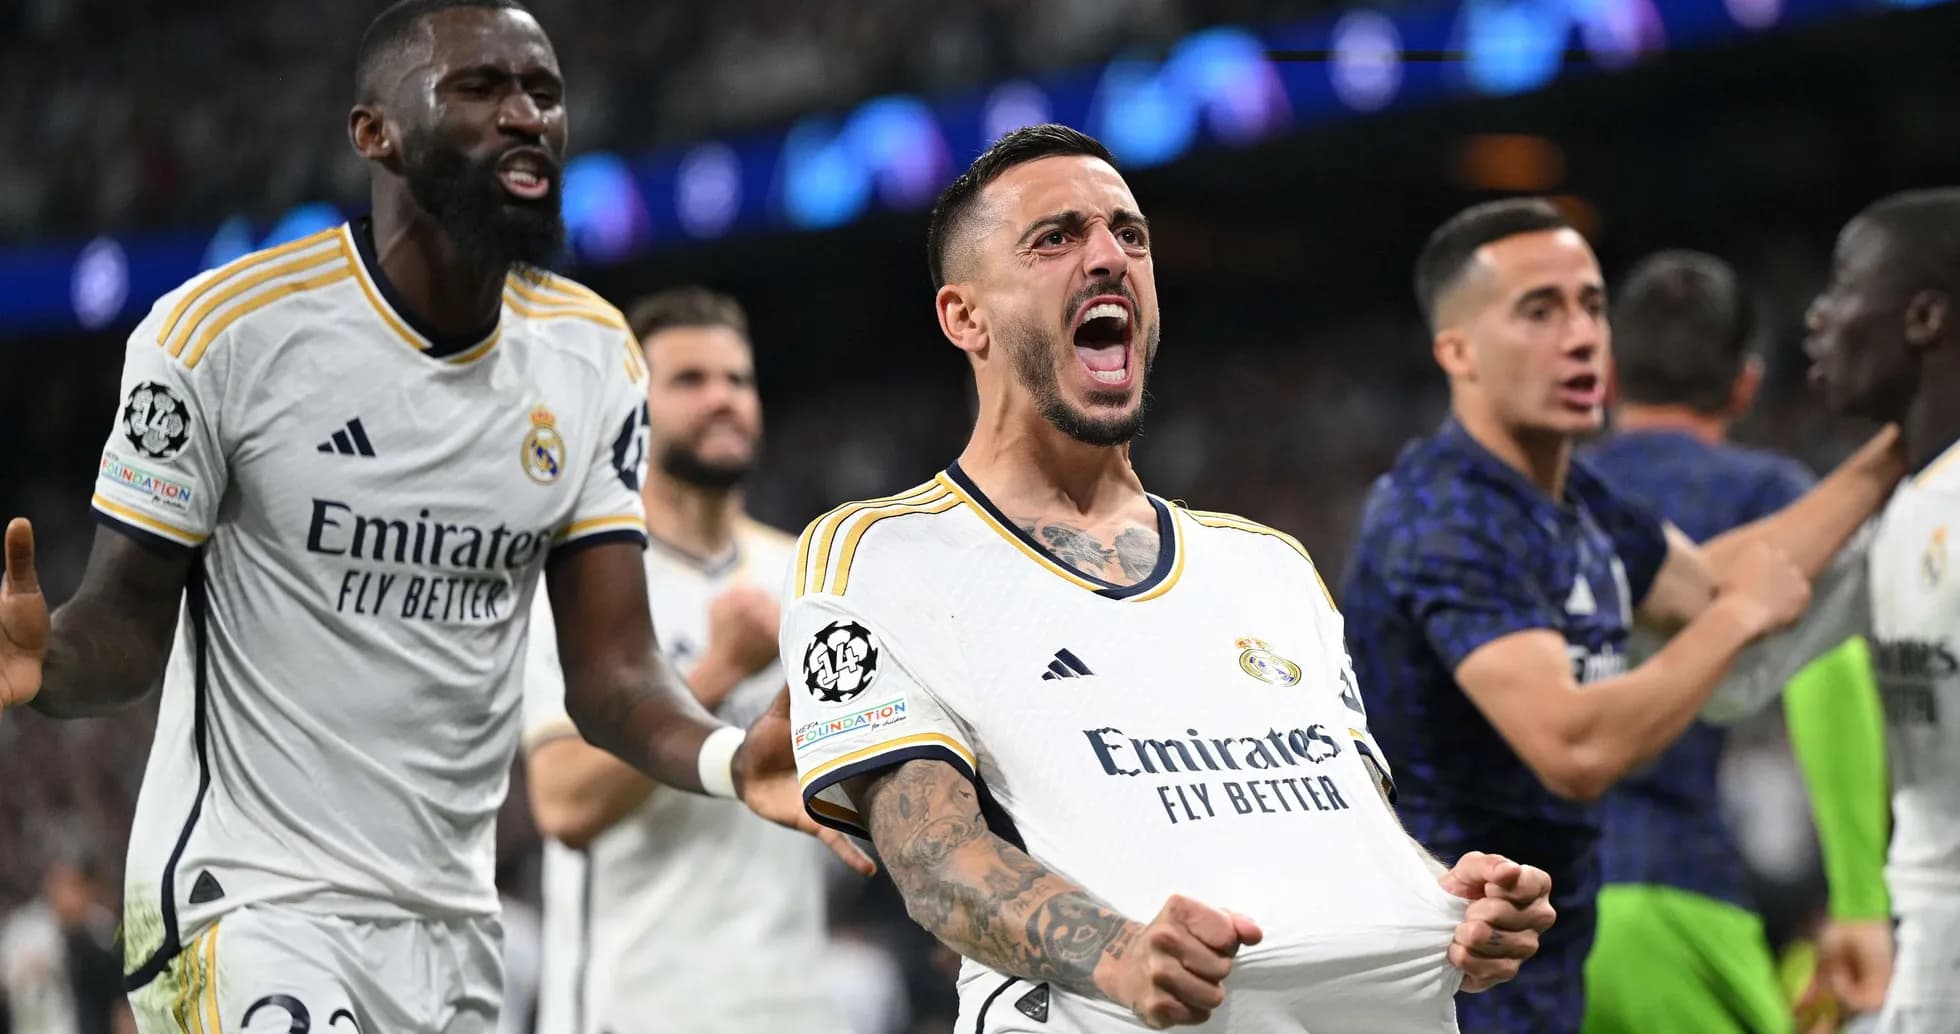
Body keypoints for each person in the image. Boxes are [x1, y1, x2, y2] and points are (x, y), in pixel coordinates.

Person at [0, 2, 859, 1031]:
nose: (525, 115)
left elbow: (614, 672)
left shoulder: (591, 358)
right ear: (376, 132)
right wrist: (44, 662)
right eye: (480, 89)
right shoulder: (220, 336)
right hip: (248, 908)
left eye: (543, 93)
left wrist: (725, 756)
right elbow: (125, 632)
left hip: (453, 927)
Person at [782, 123, 1556, 1033]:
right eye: (1056, 237)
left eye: (1130, 234)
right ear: (965, 317)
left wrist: (1453, 901)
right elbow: (938, 860)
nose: (1108, 256)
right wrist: (1116, 952)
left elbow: (1350, 836)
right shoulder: (879, 554)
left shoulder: (1271, 564)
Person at [1337, 197, 1904, 1032]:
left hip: (1550, 960)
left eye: (1591, 306)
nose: (1580, 337)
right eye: (1539, 311)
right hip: (1449, 979)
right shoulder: (1444, 514)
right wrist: (1738, 619)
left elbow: (1709, 584)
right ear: (1456, 350)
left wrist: (1894, 452)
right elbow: (1575, 744)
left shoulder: (1573, 501)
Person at [1575, 250, 1891, 1034]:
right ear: (1746, 385)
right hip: (1674, 899)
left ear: (1608, 378)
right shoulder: (1766, 497)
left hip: (1516, 929)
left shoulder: (1539, 500)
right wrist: (1858, 901)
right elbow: (1829, 675)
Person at [522, 287, 849, 1033]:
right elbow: (564, 804)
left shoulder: (808, 574)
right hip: (635, 1005)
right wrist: (717, 671)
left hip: (796, 1002)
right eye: (690, 381)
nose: (723, 400)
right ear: (631, 408)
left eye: (738, 380)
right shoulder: (577, 579)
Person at [1802, 187, 1960, 1034]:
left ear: (1925, 319)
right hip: (1927, 942)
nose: (1818, 317)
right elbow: (1738, 672)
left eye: (1844, 283)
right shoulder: (1900, 511)